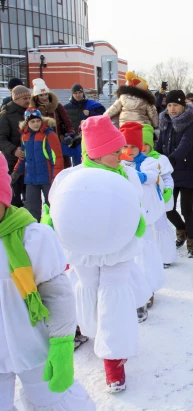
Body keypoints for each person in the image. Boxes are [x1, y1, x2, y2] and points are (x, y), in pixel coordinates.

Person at [48, 115, 145, 393]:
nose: (122, 155)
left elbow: (135, 208)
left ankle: (113, 361)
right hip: (83, 252)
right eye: (116, 151)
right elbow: (54, 209)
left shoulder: (126, 174)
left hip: (119, 248)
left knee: (113, 295)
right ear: (98, 152)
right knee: (88, 289)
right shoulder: (70, 177)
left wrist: (135, 229)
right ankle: (96, 333)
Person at [0, 153, 95, 410]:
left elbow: (57, 295)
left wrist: (62, 342)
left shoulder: (32, 238)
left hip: (33, 345)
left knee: (53, 399)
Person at [119, 121, 165, 312]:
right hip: (125, 216)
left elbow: (150, 176)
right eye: (126, 146)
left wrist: (124, 173)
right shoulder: (119, 163)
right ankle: (132, 288)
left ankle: (148, 289)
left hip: (144, 218)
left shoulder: (149, 162)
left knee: (144, 253)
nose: (129, 150)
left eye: (133, 146)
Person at [156, 90, 193, 258]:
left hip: (188, 169)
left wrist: (171, 160)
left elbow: (186, 144)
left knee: (186, 209)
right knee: (167, 207)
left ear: (183, 106)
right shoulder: (165, 122)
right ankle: (181, 229)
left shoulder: (191, 122)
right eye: (169, 105)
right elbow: (160, 144)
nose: (172, 108)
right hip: (170, 172)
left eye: (175, 105)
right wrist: (153, 159)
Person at [13, 108, 63, 221]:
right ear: (27, 122)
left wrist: (56, 176)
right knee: (31, 208)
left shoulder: (49, 135)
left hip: (48, 178)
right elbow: (23, 157)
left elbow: (57, 157)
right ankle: (34, 230)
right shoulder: (24, 136)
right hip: (31, 179)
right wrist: (17, 171)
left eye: (38, 121)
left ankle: (53, 228)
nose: (36, 124)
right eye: (32, 121)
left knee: (52, 206)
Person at [141, 123, 176, 268]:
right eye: (139, 144)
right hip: (141, 202)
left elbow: (167, 178)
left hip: (157, 201)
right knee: (145, 230)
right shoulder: (129, 162)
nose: (143, 148)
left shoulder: (160, 159)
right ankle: (145, 258)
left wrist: (168, 190)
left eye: (146, 144)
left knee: (160, 226)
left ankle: (165, 256)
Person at [29, 78, 76, 169]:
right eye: (41, 95)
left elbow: (68, 123)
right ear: (36, 96)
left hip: (59, 144)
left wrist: (70, 134)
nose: (44, 97)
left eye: (46, 94)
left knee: (63, 170)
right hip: (42, 146)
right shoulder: (33, 111)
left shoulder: (57, 106)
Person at [0, 85, 30, 206]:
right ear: (16, 99)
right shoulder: (5, 115)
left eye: (29, 97)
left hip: (31, 162)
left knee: (30, 198)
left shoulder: (31, 112)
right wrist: (14, 150)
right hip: (14, 163)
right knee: (15, 198)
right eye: (25, 98)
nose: (28, 100)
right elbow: (1, 139)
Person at [63, 84, 106, 166]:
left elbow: (102, 117)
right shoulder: (66, 108)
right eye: (75, 93)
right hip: (75, 140)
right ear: (72, 94)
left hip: (90, 140)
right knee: (77, 164)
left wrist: (90, 113)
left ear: (83, 93)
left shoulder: (91, 105)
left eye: (80, 92)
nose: (78, 95)